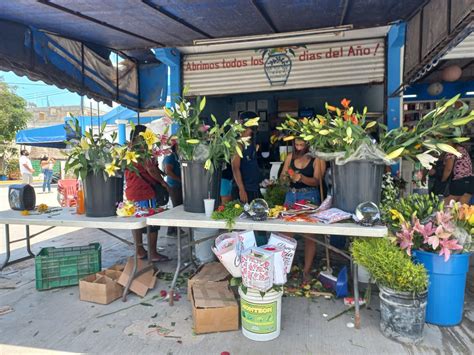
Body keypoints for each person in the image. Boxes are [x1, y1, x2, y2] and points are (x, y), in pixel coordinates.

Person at [280, 137, 326, 280]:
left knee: (309, 235)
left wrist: (302, 178)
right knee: (286, 233)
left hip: (309, 197)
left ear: (308, 144)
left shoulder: (317, 159)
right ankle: (285, 269)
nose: (299, 148)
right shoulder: (290, 157)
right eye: (297, 144)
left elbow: (317, 181)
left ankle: (306, 271)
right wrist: (287, 178)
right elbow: (281, 177)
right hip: (291, 196)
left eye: (302, 145)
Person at [125, 125, 170, 262]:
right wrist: (163, 182)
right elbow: (151, 170)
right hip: (145, 192)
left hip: (132, 192)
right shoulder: (144, 152)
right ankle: (153, 253)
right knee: (152, 223)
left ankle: (139, 250)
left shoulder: (128, 152)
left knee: (136, 222)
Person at [232, 111, 261, 203]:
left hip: (254, 187)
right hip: (244, 189)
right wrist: (242, 190)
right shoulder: (239, 143)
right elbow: (235, 168)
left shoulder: (252, 142)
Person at [163, 142, 182, 236]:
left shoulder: (179, 156)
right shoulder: (171, 156)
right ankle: (171, 230)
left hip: (179, 185)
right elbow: (168, 171)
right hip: (173, 185)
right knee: (175, 208)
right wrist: (180, 180)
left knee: (178, 207)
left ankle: (177, 229)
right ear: (176, 146)